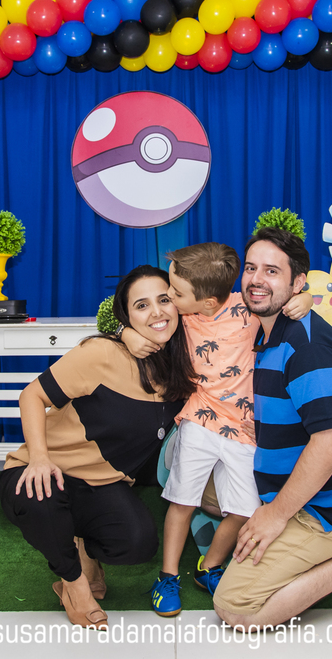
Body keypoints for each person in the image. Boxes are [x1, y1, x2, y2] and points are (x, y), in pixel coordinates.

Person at [212, 227, 332, 627]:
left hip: (326, 509)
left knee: (235, 608)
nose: (256, 279)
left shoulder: (306, 348)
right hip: (287, 492)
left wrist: (276, 515)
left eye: (272, 271)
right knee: (195, 484)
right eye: (251, 268)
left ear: (298, 282)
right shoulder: (271, 330)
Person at [1, 265, 197, 629]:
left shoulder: (182, 364)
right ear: (126, 316)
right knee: (42, 498)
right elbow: (31, 395)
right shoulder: (103, 353)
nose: (156, 312)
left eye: (164, 299)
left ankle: (80, 547)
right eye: (141, 305)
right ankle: (74, 586)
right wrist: (39, 458)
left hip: (101, 484)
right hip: (43, 470)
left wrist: (303, 299)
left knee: (138, 544)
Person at [121, 243, 309, 617]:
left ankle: (209, 567)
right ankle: (167, 576)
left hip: (244, 432)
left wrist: (306, 300)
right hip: (199, 422)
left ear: (206, 301)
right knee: (182, 502)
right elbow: (127, 323)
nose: (169, 297)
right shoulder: (180, 319)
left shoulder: (247, 308)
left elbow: (289, 298)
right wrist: (126, 332)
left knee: (245, 511)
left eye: (175, 293)